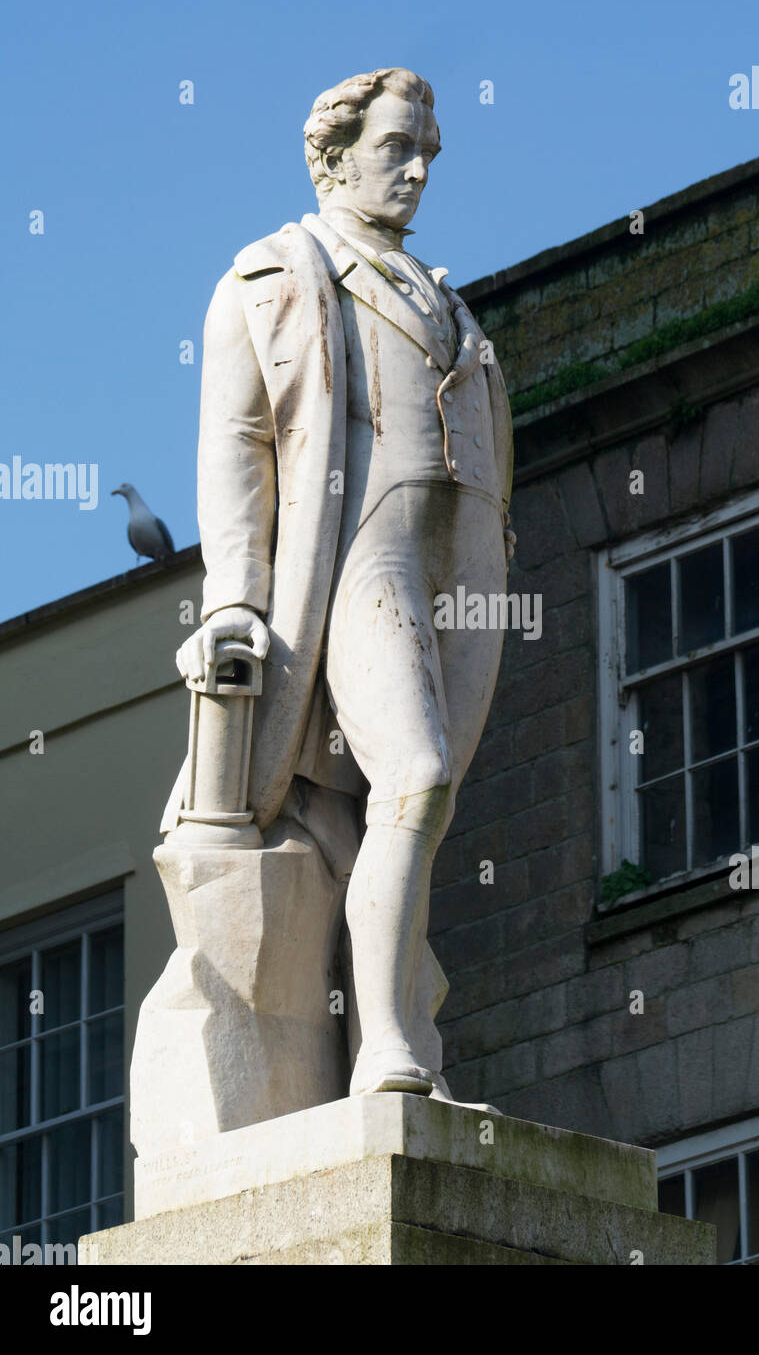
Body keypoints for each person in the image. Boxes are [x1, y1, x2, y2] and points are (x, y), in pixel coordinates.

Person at [164, 68, 516, 1102]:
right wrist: (233, 597)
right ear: (332, 157)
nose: (415, 168)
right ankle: (386, 1049)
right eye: (395, 146)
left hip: (457, 570)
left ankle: (393, 1032)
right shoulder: (271, 278)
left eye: (427, 152)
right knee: (417, 774)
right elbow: (237, 449)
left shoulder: (444, 299)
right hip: (357, 556)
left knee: (406, 805)